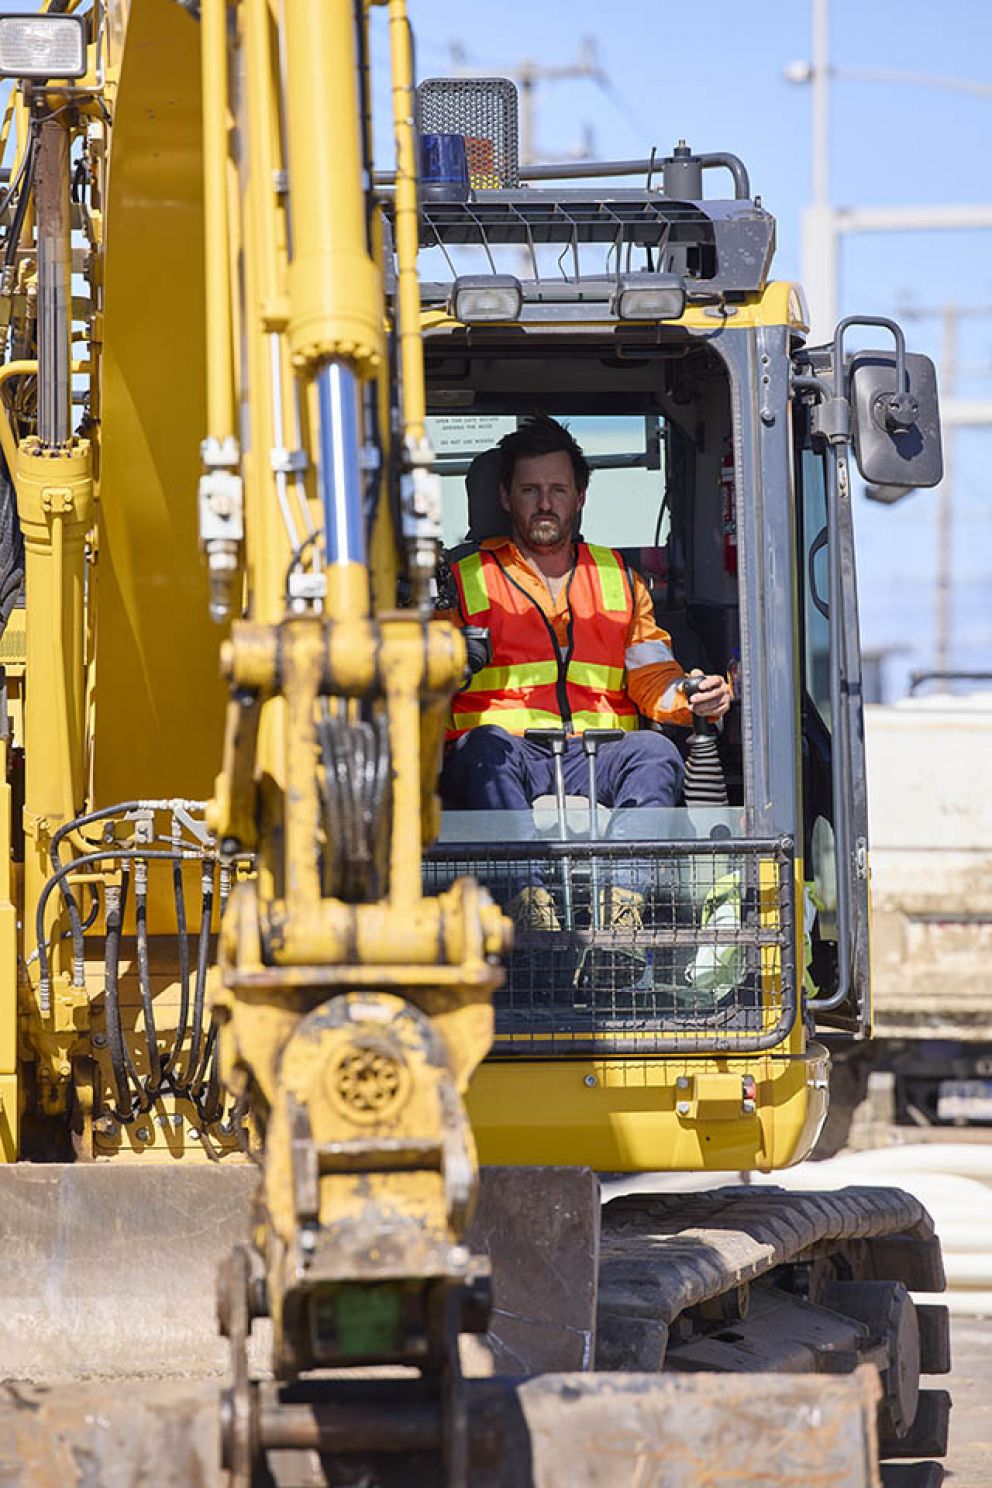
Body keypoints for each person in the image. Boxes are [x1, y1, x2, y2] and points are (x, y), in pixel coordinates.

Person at [438, 415, 731, 933]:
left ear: (580, 497)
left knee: (656, 751)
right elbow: (426, 676)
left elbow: (651, 674)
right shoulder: (459, 581)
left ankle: (622, 910)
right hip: (505, 754)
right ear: (506, 497)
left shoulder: (618, 576)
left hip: (596, 757)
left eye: (557, 489)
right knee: (483, 749)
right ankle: (530, 905)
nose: (544, 502)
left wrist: (692, 697)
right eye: (530, 489)